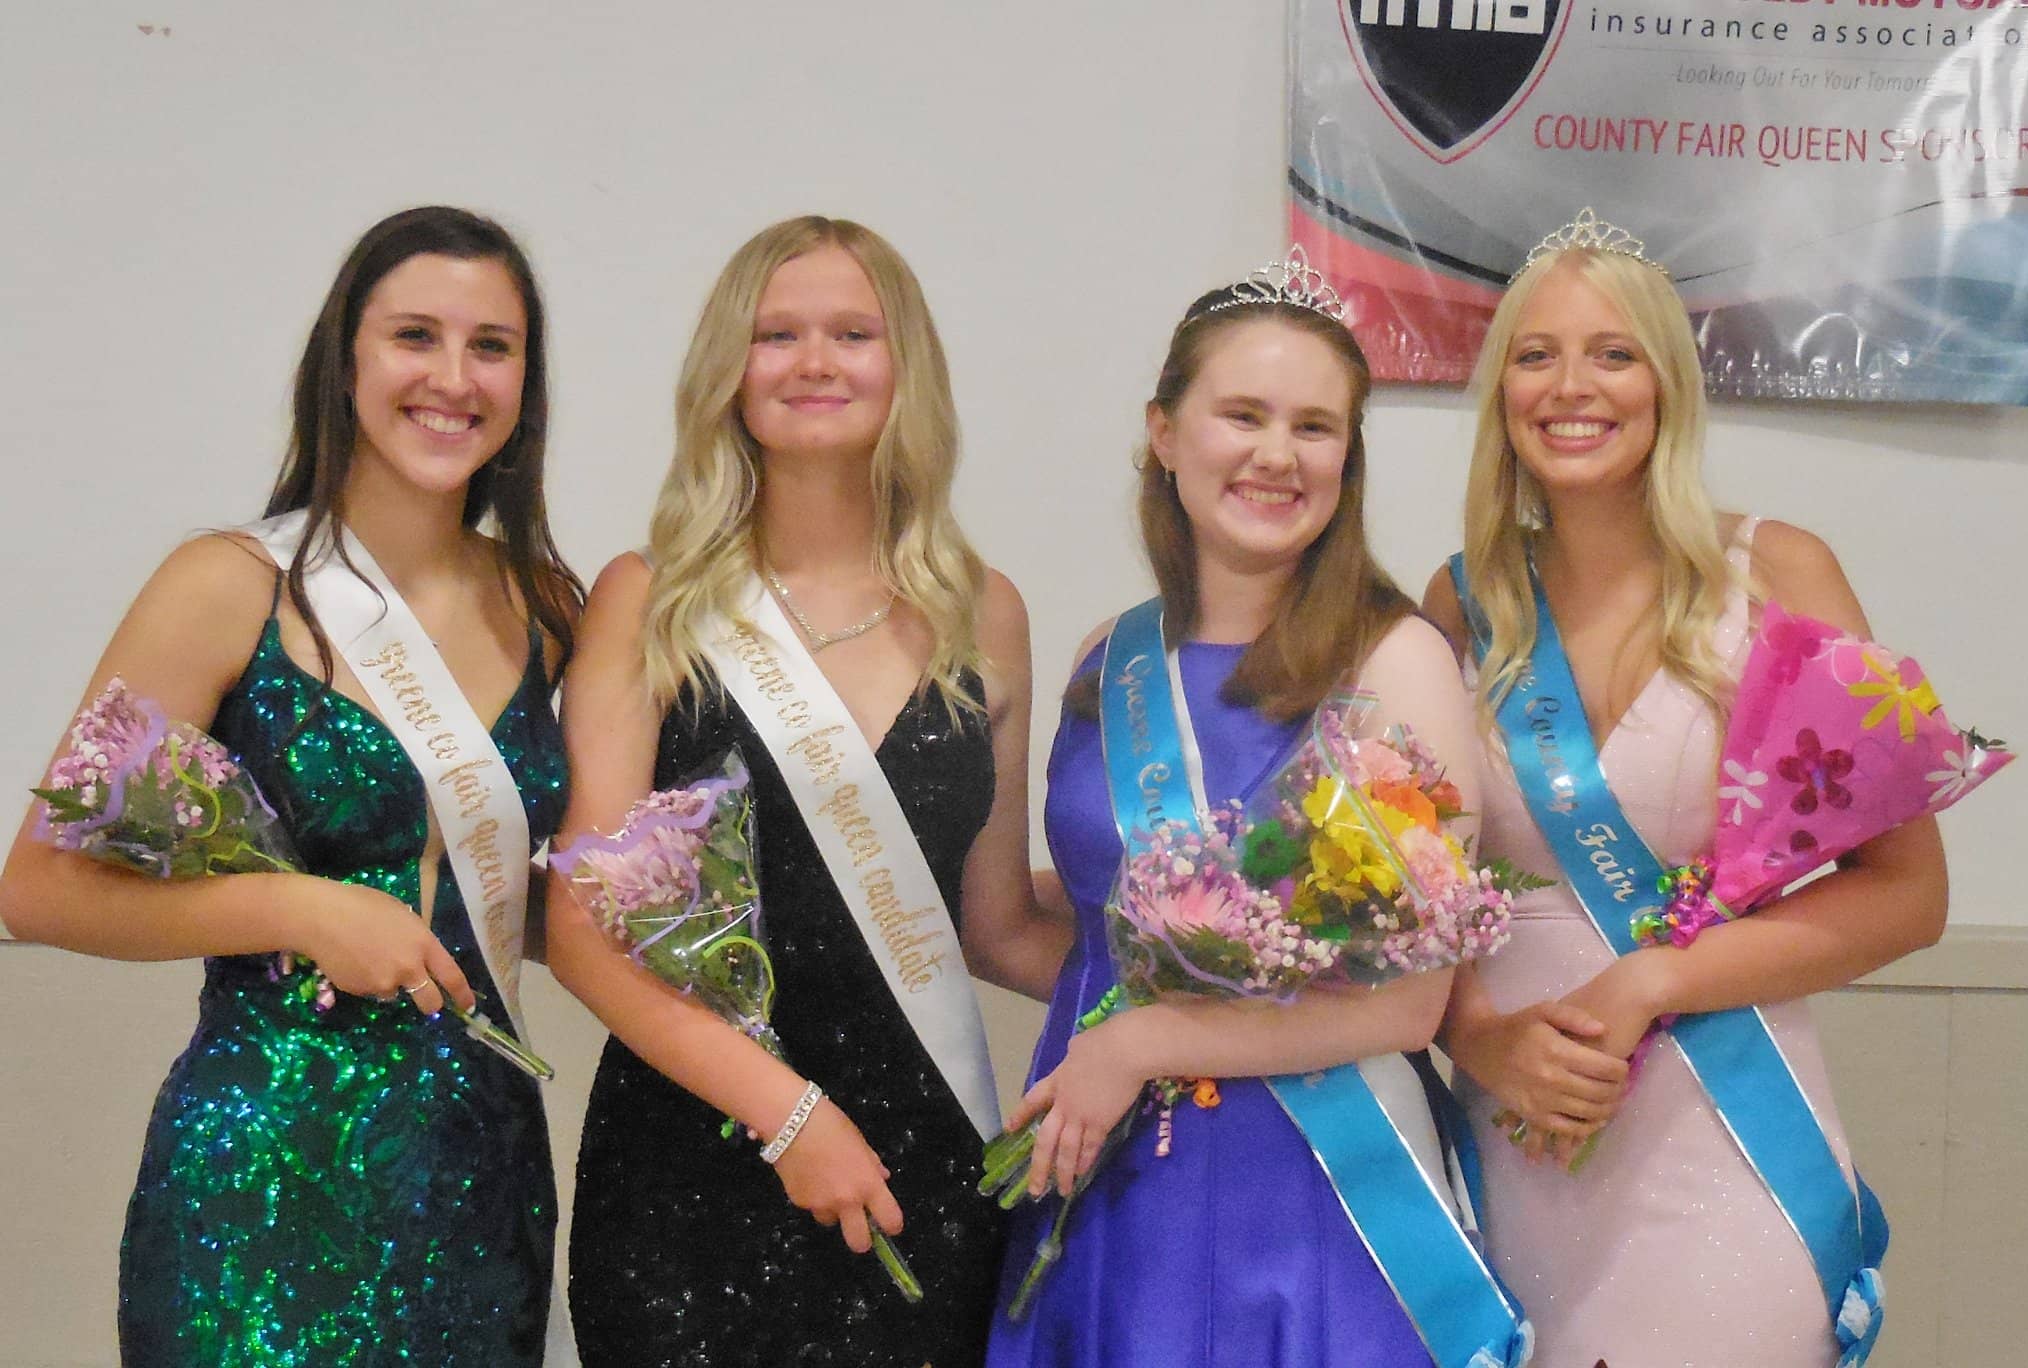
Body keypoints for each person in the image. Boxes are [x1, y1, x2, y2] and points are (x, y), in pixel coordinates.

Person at [0, 205, 583, 1365]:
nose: (452, 379)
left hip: (479, 1175)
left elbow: (525, 896)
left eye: (492, 346)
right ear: (346, 360)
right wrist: (301, 908)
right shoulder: (229, 584)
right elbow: (36, 889)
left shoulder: (549, 605)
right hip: (262, 1175)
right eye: (415, 336)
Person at [1425, 210, 1947, 1367]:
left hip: (1720, 1128)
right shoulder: (1460, 606)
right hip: (1519, 1135)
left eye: (1613, 353)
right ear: (1500, 386)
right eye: (1534, 353)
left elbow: (1907, 896)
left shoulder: (1778, 572)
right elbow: (1416, 899)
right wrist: (1478, 1038)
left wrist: (1658, 972)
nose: (1572, 386)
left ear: (1667, 382)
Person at [548, 215, 1066, 1367]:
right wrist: (787, 1116)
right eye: (776, 334)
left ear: (906, 368)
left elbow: (994, 925)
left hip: (922, 1162)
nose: (814, 362)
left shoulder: (984, 613)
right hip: (693, 1158)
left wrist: (1205, 982)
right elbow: (581, 931)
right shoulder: (650, 600)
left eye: (851, 332)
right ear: (726, 371)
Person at [986, 253, 1502, 1368]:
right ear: (1164, 432)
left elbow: (1410, 1002)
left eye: (1315, 428)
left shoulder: (1394, 660)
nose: (1278, 454)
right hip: (1104, 1168)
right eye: (1242, 414)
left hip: (1315, 1180)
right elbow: (1084, 919)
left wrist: (1146, 1040)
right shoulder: (1103, 660)